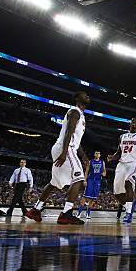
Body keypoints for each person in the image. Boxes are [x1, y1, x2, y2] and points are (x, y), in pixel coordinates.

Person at [25, 92, 91, 225]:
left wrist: (83, 155)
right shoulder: (75, 112)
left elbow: (75, 140)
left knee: (54, 183)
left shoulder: (81, 115)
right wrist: (64, 152)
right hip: (65, 149)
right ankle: (66, 214)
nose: (88, 96)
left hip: (64, 148)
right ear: (77, 99)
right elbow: (68, 133)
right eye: (85, 95)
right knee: (78, 179)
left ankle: (36, 210)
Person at [107, 117, 136, 223]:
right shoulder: (122, 137)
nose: (134, 123)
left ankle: (128, 214)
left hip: (134, 163)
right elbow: (119, 153)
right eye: (132, 121)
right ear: (130, 123)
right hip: (121, 164)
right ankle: (129, 206)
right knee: (116, 193)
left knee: (128, 182)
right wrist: (112, 157)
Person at [79, 151, 106, 219]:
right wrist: (85, 180)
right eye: (96, 153)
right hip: (90, 179)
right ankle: (79, 213)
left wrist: (103, 174)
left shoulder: (102, 162)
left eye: (99, 153)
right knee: (85, 197)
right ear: (94, 154)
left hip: (97, 181)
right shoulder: (90, 161)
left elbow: (104, 172)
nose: (97, 154)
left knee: (92, 198)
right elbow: (87, 171)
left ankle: (87, 214)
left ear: (100, 155)